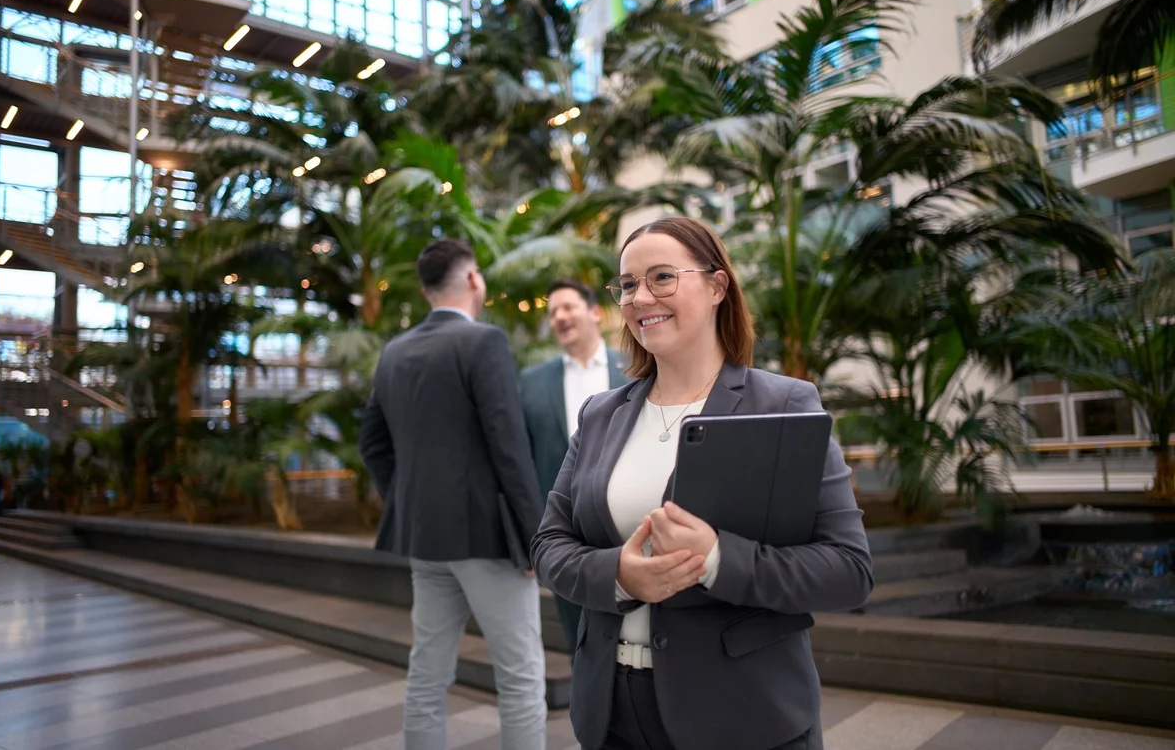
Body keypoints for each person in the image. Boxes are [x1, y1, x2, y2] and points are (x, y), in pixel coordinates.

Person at [530, 217, 873, 750]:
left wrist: (714, 560)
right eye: (627, 284)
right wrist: (619, 574)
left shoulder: (782, 405)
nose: (641, 297)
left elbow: (848, 570)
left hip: (741, 715)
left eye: (662, 277)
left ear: (717, 286)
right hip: (613, 711)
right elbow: (550, 545)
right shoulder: (600, 415)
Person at [361, 238, 547, 750]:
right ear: (472, 280)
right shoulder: (483, 342)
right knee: (521, 678)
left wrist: (405, 500)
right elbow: (509, 448)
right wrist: (537, 540)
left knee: (427, 674)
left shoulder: (394, 351)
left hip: (424, 538)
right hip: (487, 540)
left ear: (424, 290)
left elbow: (371, 444)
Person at [519, 278, 629, 654]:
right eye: (553, 313)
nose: (560, 317)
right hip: (565, 530)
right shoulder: (531, 383)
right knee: (578, 639)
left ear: (595, 313)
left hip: (628, 518)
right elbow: (524, 461)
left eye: (568, 307)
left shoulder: (634, 367)